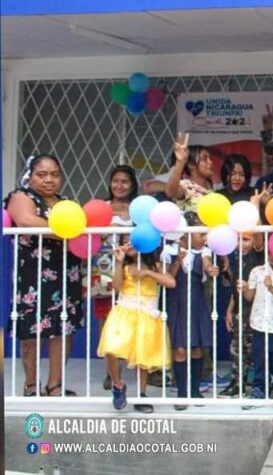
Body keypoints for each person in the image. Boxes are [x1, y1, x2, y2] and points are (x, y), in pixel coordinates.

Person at [4, 154, 84, 397]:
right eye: (42, 174)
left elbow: (81, 227)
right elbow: (26, 220)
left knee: (63, 328)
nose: (49, 179)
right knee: (32, 330)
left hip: (67, 272)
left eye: (54, 174)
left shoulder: (64, 201)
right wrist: (65, 231)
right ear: (31, 175)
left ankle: (55, 384)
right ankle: (31, 384)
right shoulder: (21, 196)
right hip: (33, 275)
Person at [97, 236, 175, 413]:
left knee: (143, 356)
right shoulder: (124, 265)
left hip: (146, 314)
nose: (128, 244)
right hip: (124, 311)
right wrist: (118, 262)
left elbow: (171, 282)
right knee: (110, 348)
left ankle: (141, 394)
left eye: (132, 241)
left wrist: (147, 273)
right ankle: (117, 385)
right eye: (125, 241)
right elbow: (116, 286)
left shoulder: (156, 265)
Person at [162, 212, 218, 410]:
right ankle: (181, 392)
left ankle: (194, 390)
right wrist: (178, 260)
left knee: (196, 346)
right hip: (176, 300)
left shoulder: (203, 252)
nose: (204, 238)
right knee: (179, 347)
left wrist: (211, 269)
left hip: (196, 300)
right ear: (187, 232)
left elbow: (207, 264)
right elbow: (168, 279)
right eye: (200, 233)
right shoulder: (169, 250)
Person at [91, 165, 138, 390]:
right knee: (107, 319)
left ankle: (138, 363)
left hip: (130, 269)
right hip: (103, 268)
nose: (119, 185)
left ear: (132, 184)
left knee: (133, 316)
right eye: (115, 181)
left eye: (125, 181)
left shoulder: (137, 209)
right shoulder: (101, 207)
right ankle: (112, 372)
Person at [238, 251, 273, 411]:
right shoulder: (257, 271)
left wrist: (271, 287)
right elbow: (249, 297)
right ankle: (259, 389)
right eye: (270, 253)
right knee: (260, 358)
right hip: (259, 322)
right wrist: (245, 288)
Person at [220, 232, 264, 398]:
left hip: (256, 310)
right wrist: (230, 310)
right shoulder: (239, 260)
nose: (241, 244)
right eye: (238, 240)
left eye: (246, 240)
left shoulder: (258, 257)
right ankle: (237, 384)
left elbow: (258, 235)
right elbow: (234, 290)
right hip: (241, 311)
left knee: (255, 349)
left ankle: (261, 384)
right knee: (238, 349)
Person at [165, 133, 213, 211]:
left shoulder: (208, 185)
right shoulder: (187, 185)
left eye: (210, 158)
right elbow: (170, 192)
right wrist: (180, 161)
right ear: (191, 165)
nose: (210, 162)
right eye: (205, 158)